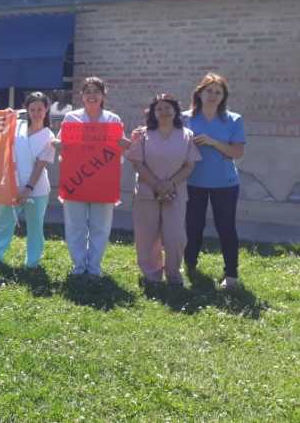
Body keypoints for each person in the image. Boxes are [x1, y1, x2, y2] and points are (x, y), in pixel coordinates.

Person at [56, 76, 130, 277]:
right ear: (81, 96)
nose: (92, 96)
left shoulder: (113, 120)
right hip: (75, 180)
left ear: (103, 95)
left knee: (101, 227)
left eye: (96, 91)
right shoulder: (71, 118)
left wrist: (125, 144)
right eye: (87, 92)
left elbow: (119, 150)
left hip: (103, 180)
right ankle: (79, 266)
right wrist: (57, 144)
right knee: (75, 226)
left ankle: (94, 268)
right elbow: (62, 146)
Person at [126, 94, 201, 285]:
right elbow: (137, 163)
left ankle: (173, 274)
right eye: (159, 108)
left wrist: (170, 184)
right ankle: (152, 275)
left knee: (176, 236)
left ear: (176, 111)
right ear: (152, 113)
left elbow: (189, 166)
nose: (164, 111)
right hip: (147, 192)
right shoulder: (143, 135)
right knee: (147, 236)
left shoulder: (187, 135)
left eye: (168, 107)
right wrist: (157, 185)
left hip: (175, 193)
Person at [182, 73, 246, 289]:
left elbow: (237, 152)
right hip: (192, 182)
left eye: (218, 92)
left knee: (226, 228)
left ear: (223, 97)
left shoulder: (233, 119)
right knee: (193, 227)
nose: (213, 95)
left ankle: (231, 274)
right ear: (199, 93)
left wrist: (213, 142)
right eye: (209, 91)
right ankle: (190, 266)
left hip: (225, 184)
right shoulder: (184, 118)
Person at [0, 92, 55, 267]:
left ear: (46, 110)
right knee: (4, 222)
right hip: (11, 186)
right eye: (32, 109)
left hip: (36, 190)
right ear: (26, 110)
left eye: (40, 109)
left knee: (35, 227)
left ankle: (32, 262)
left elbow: (40, 166)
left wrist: (28, 189)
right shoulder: (17, 126)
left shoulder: (49, 136)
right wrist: (6, 115)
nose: (36, 113)